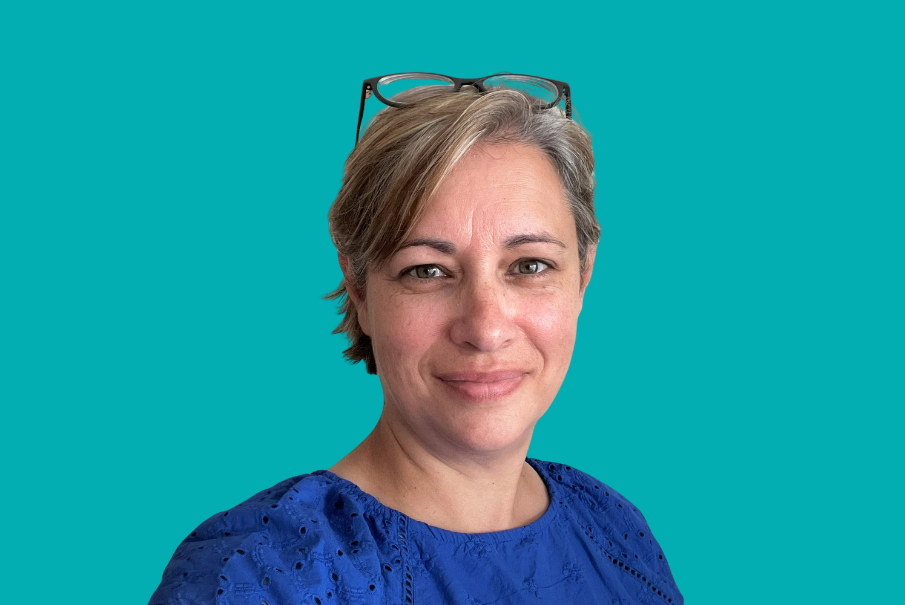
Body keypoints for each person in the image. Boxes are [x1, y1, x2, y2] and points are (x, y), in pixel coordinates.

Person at [149, 73, 683, 605]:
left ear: (583, 275)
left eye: (530, 265)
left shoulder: (615, 532)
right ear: (359, 288)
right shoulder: (254, 577)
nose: (485, 328)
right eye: (427, 271)